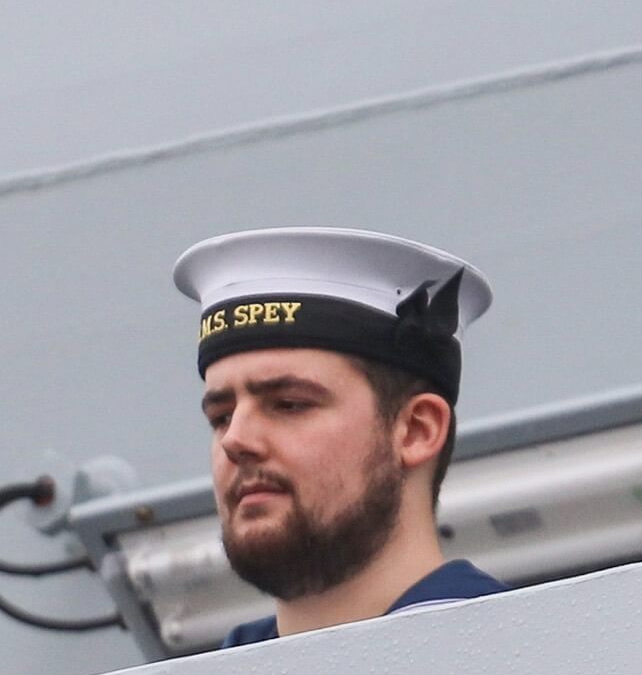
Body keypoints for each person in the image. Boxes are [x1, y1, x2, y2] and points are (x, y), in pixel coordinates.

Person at [178, 228, 505, 646]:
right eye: (221, 417)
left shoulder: (527, 668)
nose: (235, 440)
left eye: (290, 404)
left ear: (417, 431)